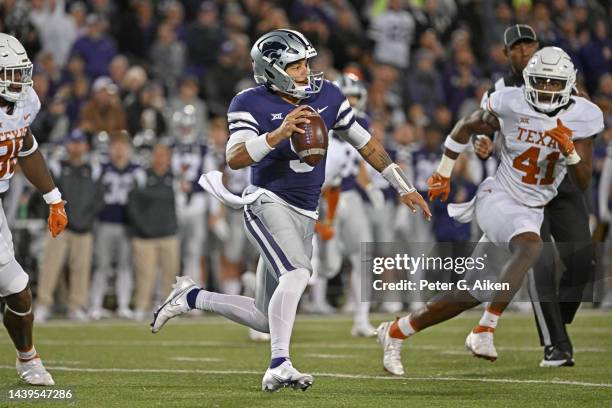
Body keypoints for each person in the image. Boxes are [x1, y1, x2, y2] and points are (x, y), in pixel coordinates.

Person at [151, 29, 430, 391]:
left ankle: (190, 296)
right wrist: (278, 134)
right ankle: (279, 364)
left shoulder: (327, 94)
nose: (305, 70)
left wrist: (403, 186)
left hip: (306, 211)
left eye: (306, 62)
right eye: (296, 64)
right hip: (266, 202)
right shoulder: (248, 102)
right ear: (272, 70)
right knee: (298, 274)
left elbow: (366, 143)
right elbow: (234, 158)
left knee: (263, 317)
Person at [376, 47, 604, 375]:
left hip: (533, 208)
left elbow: (582, 181)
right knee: (531, 246)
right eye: (540, 81)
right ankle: (485, 328)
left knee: (469, 292)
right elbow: (465, 128)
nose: (546, 89)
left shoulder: (583, 115)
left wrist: (568, 150)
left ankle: (396, 331)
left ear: (568, 84)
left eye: (554, 84)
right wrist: (444, 171)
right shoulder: (509, 101)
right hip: (499, 196)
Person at [476, 25, 596, 367]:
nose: (524, 51)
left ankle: (557, 317)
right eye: (516, 47)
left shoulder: (562, 75)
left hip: (563, 184)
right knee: (538, 261)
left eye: (528, 44)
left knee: (583, 262)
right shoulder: (499, 91)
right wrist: (479, 145)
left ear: (538, 47)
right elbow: (479, 128)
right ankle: (556, 344)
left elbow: (585, 118)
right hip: (523, 189)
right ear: (507, 54)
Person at [0, 33, 68, 385]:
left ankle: (28, 359)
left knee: (18, 289)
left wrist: (53, 197)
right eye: (9, 73)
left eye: (19, 72)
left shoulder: (26, 102)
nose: (18, 82)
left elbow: (25, 144)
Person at [36, 129, 104, 322]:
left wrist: (88, 219)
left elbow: (99, 198)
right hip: (60, 227)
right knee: (50, 267)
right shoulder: (57, 166)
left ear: (85, 146)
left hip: (84, 227)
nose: (76, 147)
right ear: (68, 145)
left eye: (80, 142)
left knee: (81, 269)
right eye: (73, 143)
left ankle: (76, 306)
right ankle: (44, 304)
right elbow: (45, 193)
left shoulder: (93, 168)